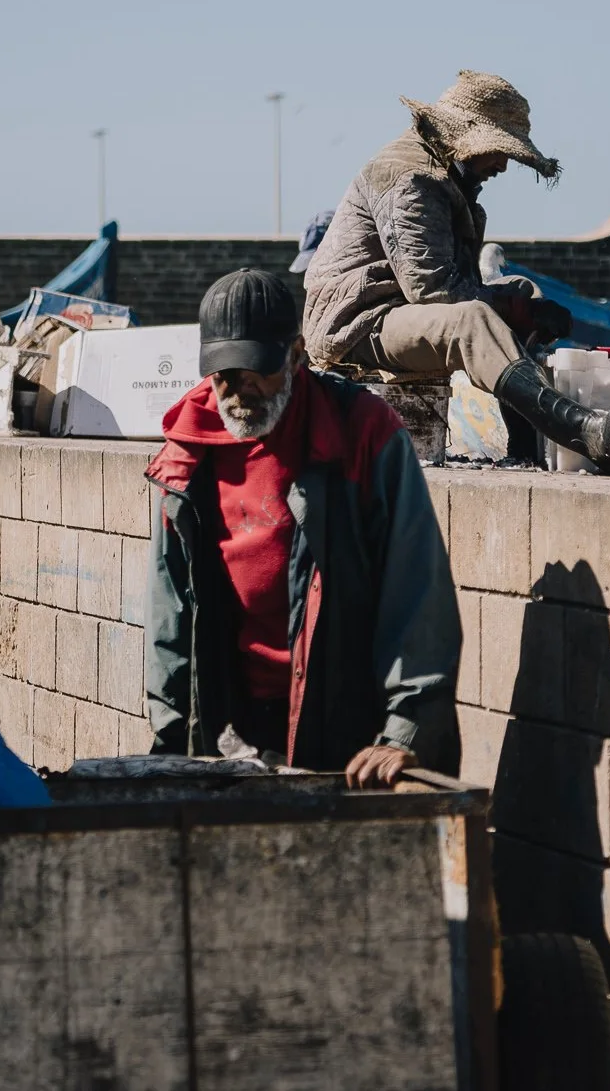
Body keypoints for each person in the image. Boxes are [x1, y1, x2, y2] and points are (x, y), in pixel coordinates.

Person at [146, 266, 461, 786]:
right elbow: (169, 608)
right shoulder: (187, 454)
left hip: (345, 719)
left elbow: (416, 589)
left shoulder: (362, 433)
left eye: (257, 370)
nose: (239, 390)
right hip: (231, 717)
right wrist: (168, 740)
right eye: (224, 374)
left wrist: (406, 730)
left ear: (296, 356)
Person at [302, 69, 610, 471]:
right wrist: (509, 308)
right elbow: (432, 289)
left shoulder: (441, 172)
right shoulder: (410, 177)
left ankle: (524, 446)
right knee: (473, 321)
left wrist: (520, 304)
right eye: (500, 151)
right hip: (356, 324)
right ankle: (582, 430)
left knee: (521, 290)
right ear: (469, 138)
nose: (502, 166)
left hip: (392, 310)